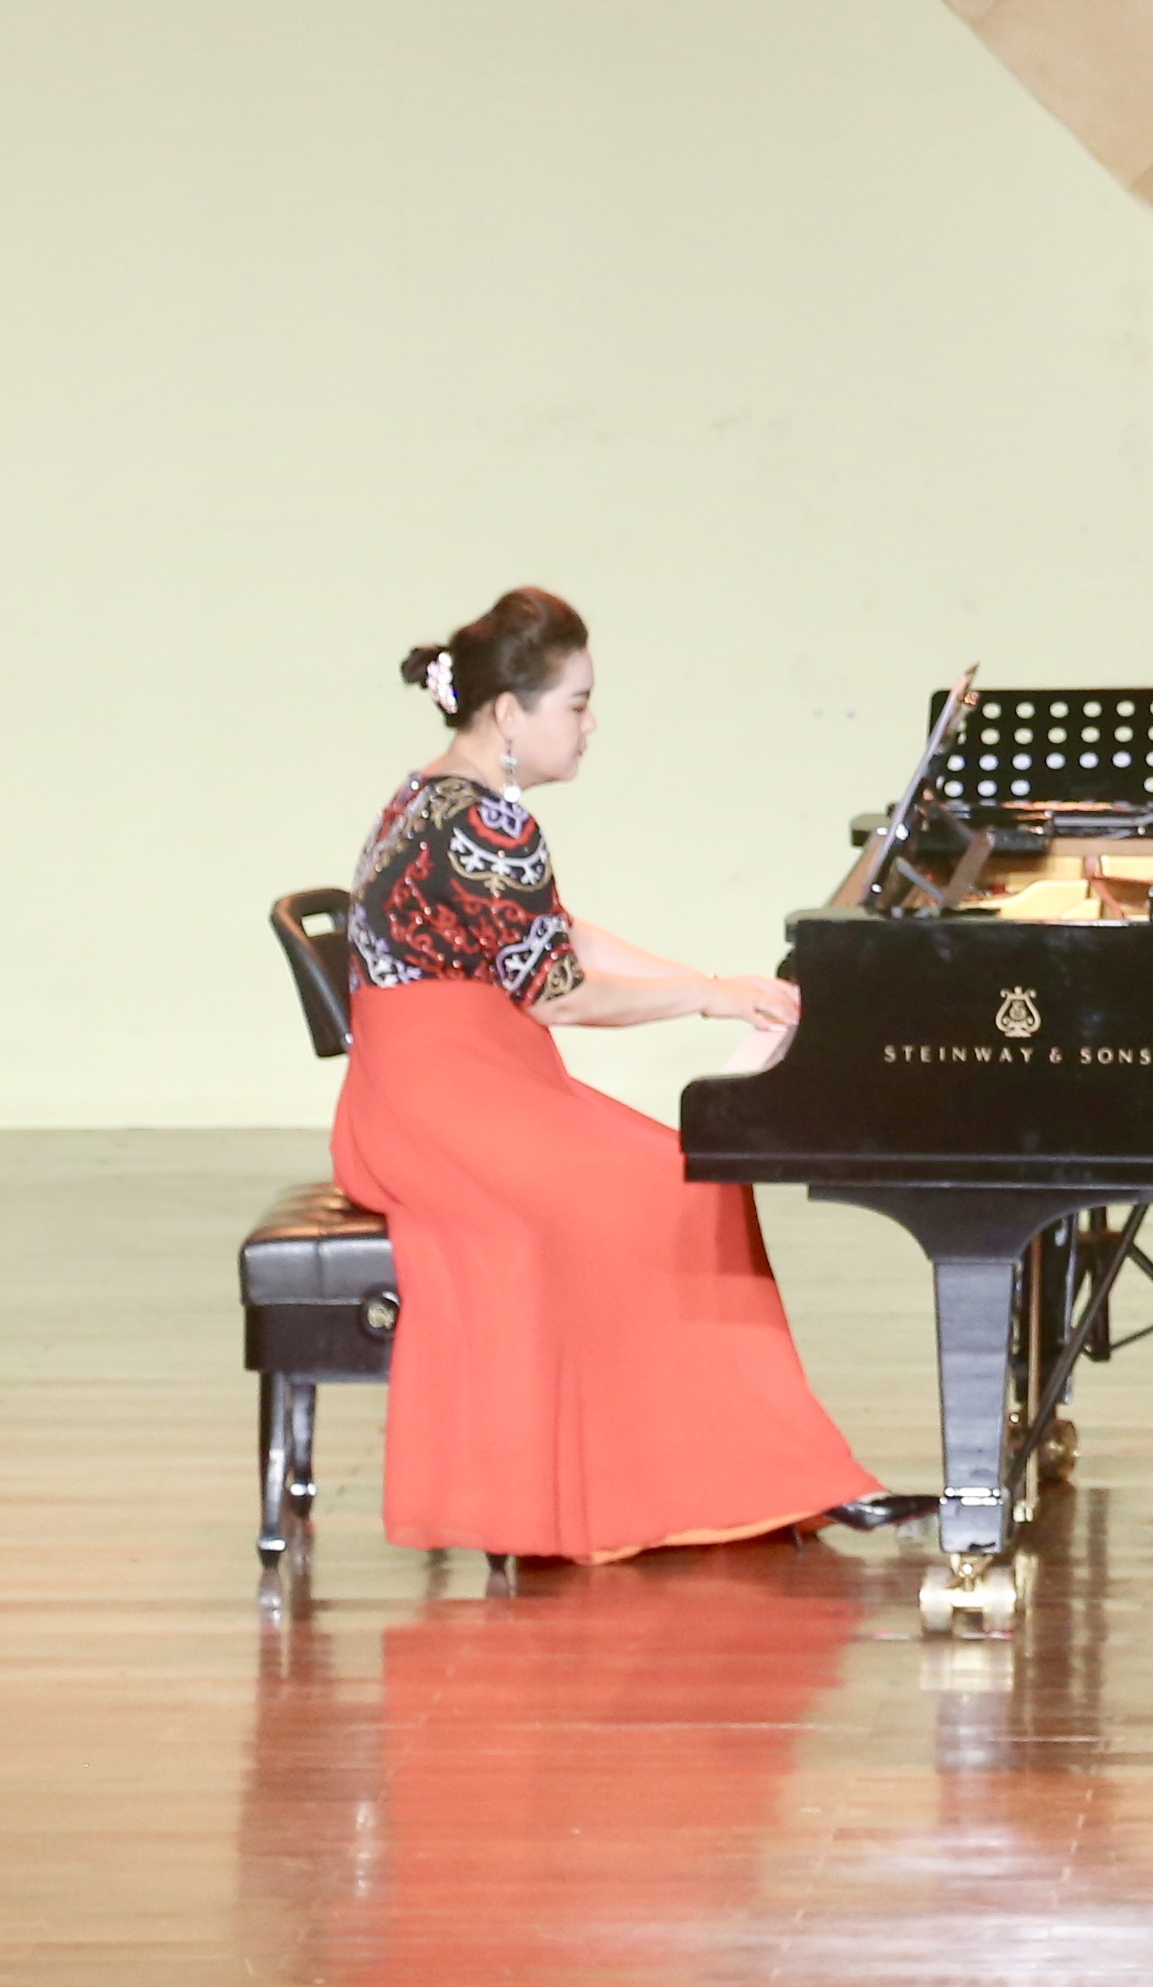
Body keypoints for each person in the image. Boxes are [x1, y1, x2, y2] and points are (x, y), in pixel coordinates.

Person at [335, 585, 897, 1563]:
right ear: (509, 713)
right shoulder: (487, 824)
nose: (591, 724)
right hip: (447, 1103)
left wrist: (715, 984)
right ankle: (714, 1477)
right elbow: (559, 991)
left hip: (417, 1092)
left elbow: (559, 931)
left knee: (680, 1176)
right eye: (578, 702)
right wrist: (708, 995)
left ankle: (726, 1471)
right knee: (672, 1187)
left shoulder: (435, 793)